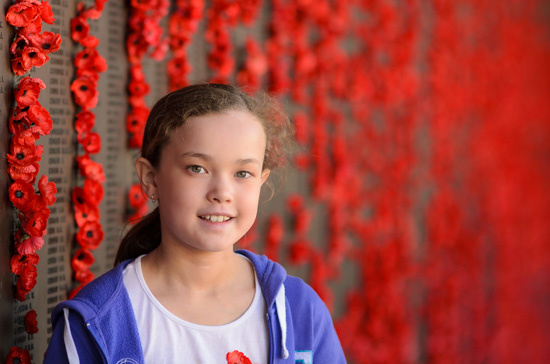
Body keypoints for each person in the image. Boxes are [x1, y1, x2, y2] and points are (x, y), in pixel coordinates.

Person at [44, 83, 346, 364]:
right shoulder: (95, 323)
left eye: (242, 173)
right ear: (151, 178)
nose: (222, 193)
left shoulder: (299, 311)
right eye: (197, 168)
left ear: (261, 182)